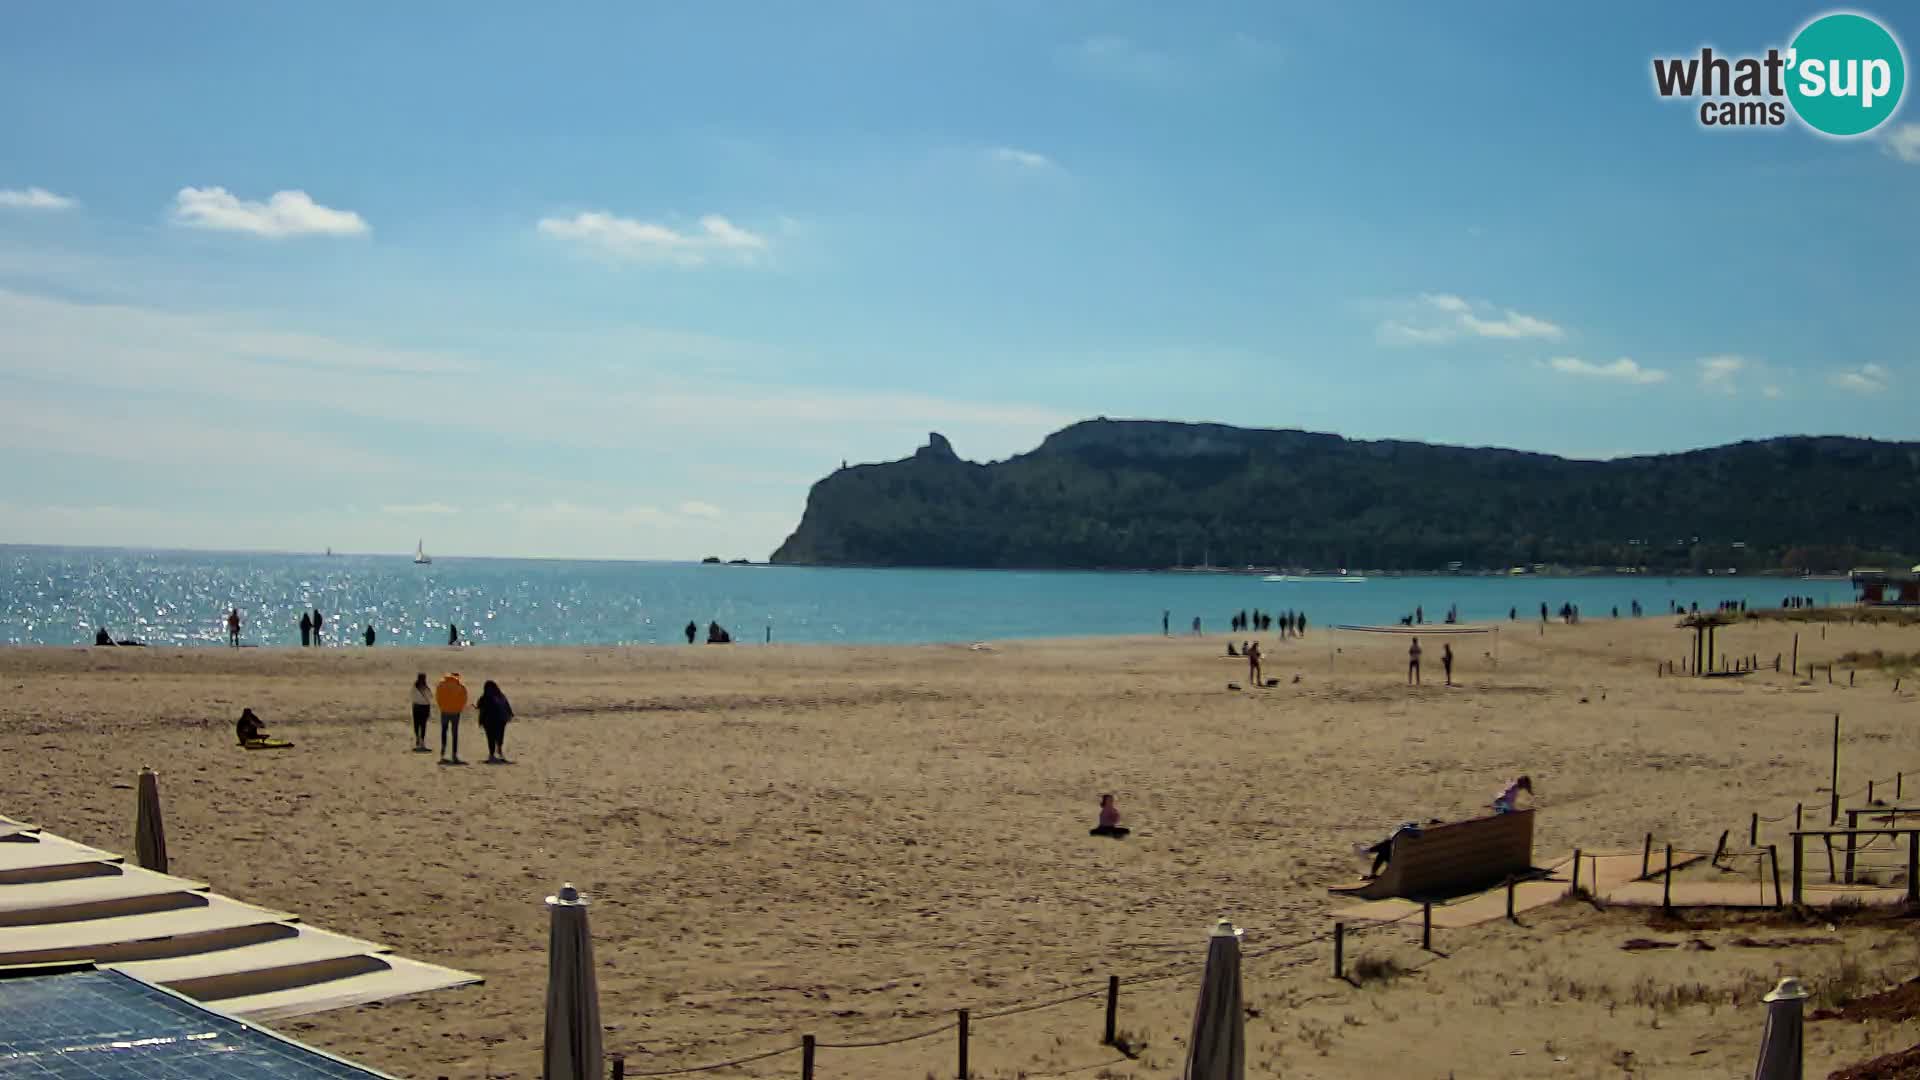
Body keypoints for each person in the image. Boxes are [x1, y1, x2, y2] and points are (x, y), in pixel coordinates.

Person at [476, 679, 515, 763]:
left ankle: (493, 755)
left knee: (491, 738)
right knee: (498, 738)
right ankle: (498, 753)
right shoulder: (499, 695)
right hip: (499, 721)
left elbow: (479, 706)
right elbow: (506, 706)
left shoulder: (485, 697)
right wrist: (510, 714)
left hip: (489, 721)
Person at [435, 672, 469, 764]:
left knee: (444, 732)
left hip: (445, 711)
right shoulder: (460, 686)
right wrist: (459, 708)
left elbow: (438, 697)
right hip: (455, 712)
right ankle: (454, 755)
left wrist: (441, 707)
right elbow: (464, 698)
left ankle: (443, 754)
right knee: (454, 734)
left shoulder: (441, 685)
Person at [409, 673, 432, 751]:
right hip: (424, 707)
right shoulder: (426, 687)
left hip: (416, 707)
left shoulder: (414, 687)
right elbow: (430, 696)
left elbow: (411, 695)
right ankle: (422, 742)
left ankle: (417, 740)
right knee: (423, 725)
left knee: (416, 724)